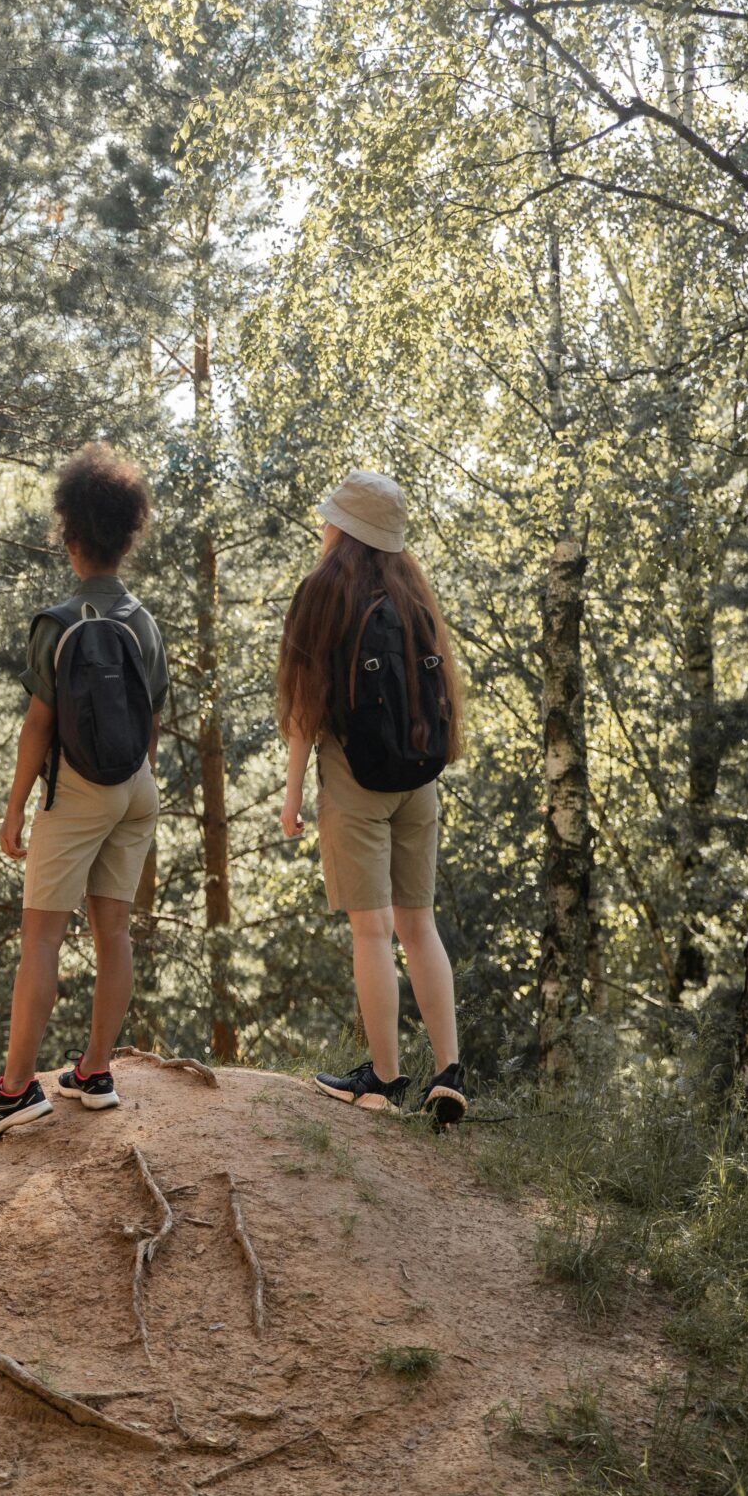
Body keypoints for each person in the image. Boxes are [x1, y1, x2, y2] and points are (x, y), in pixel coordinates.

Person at [0, 445, 168, 1141]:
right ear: (127, 534)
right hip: (135, 788)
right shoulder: (144, 622)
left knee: (42, 937)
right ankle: (95, 1071)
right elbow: (152, 717)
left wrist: (17, 806)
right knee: (114, 931)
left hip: (74, 792)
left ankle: (17, 1088)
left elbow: (38, 725)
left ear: (71, 533)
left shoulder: (57, 622)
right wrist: (131, 785)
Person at [277, 470, 469, 1124]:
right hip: (420, 779)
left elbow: (304, 708)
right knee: (420, 924)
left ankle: (383, 1081)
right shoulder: (413, 593)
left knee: (372, 928)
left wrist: (292, 794)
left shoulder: (323, 591)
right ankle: (449, 1069)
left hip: (355, 780)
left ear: (343, 527)